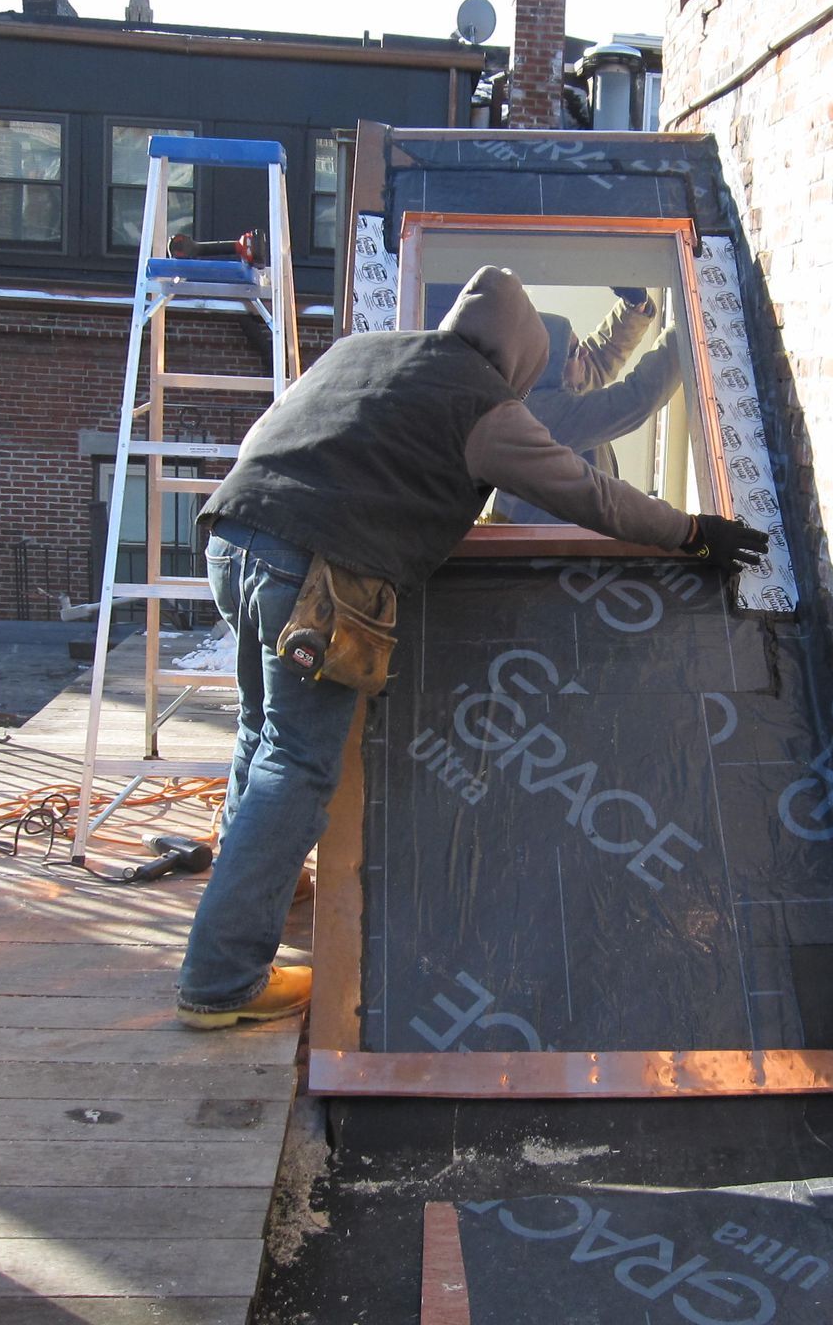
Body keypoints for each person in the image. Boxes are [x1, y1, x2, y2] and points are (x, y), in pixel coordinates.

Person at [176, 266, 766, 1029]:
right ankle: (221, 977)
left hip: (233, 538)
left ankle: (263, 889)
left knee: (263, 734)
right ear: (520, 357)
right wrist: (691, 531)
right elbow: (587, 493)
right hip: (312, 572)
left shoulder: (366, 350)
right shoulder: (484, 407)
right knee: (297, 761)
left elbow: (275, 428)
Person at [490, 309, 685, 527]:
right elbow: (638, 398)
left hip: (564, 543)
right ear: (551, 364)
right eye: (574, 351)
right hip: (558, 547)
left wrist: (633, 311)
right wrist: (685, 329)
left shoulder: (544, 392)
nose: (584, 353)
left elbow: (597, 360)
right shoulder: (545, 417)